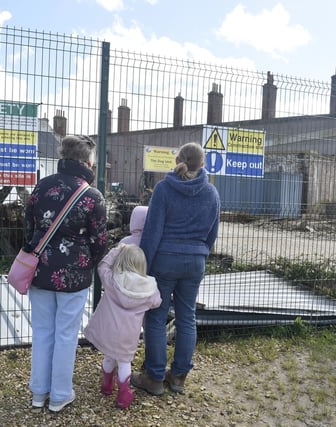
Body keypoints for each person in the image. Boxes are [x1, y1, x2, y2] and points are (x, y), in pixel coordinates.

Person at [23, 134, 108, 412]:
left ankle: (38, 393)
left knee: (43, 332)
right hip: (74, 275)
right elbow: (100, 241)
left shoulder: (41, 186)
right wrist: (87, 262)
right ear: (87, 161)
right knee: (66, 335)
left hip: (39, 270)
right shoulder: (92, 196)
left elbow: (28, 229)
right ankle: (60, 395)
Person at [132, 142, 220, 396]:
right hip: (195, 262)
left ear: (177, 160)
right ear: (203, 164)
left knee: (157, 317)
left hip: (164, 261)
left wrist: (144, 265)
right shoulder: (212, 193)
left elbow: (152, 231)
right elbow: (212, 233)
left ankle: (155, 377)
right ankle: (179, 377)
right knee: (186, 317)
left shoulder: (163, 189)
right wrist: (199, 252)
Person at [83, 244, 161, 409]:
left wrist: (117, 249)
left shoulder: (112, 280)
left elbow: (102, 265)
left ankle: (106, 385)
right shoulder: (149, 289)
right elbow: (157, 302)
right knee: (125, 362)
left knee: (109, 356)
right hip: (128, 335)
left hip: (109, 331)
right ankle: (123, 395)